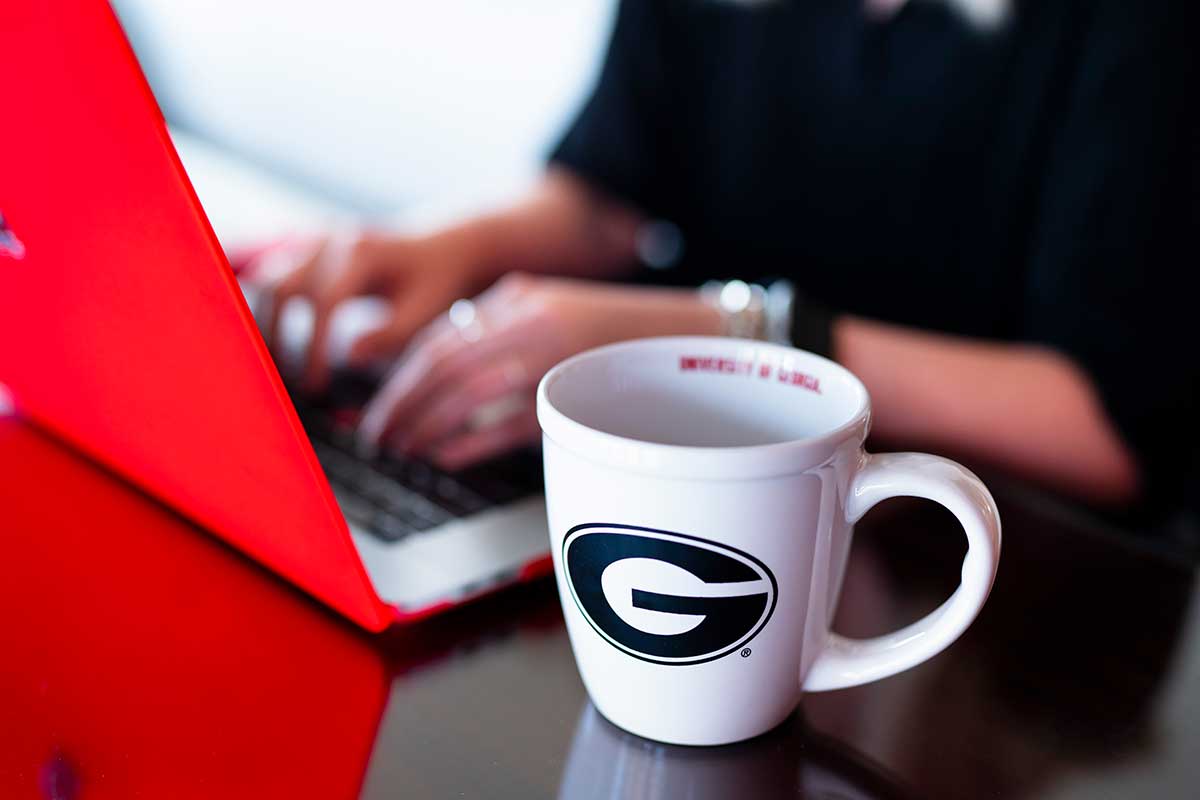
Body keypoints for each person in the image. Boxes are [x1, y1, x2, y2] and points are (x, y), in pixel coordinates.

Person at [249, 0, 1196, 510]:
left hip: (981, 570)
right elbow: (606, 195)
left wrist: (735, 335)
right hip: (723, 497)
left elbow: (1106, 430)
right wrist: (448, 246)